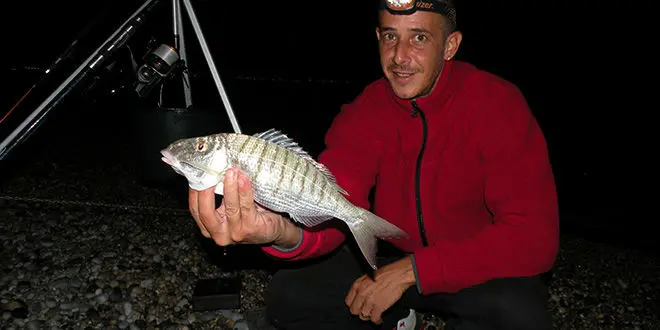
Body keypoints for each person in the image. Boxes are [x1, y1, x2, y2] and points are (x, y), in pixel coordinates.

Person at [187, 0, 560, 329]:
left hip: (472, 264)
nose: (399, 57)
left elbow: (535, 237)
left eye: (419, 38)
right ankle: (400, 321)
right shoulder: (366, 110)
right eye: (389, 36)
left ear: (450, 45)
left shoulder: (497, 104)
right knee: (290, 298)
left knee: (519, 314)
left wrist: (413, 271)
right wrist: (279, 233)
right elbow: (335, 202)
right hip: (386, 253)